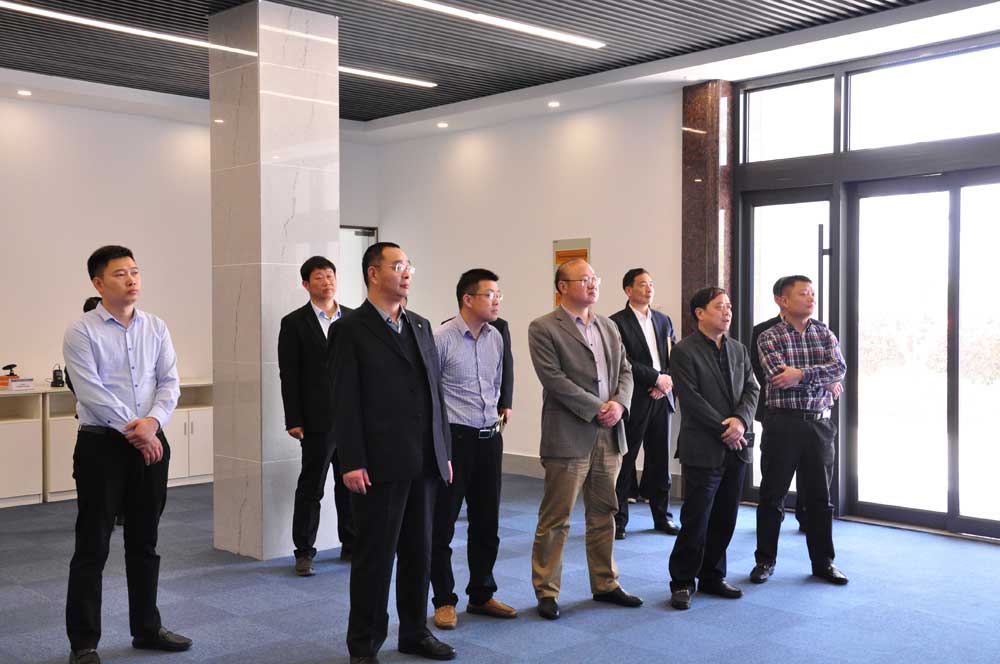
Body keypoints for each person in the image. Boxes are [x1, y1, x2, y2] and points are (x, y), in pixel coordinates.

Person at [62, 245, 191, 664]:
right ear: (99, 283)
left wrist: (152, 423)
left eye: (135, 271)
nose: (131, 279)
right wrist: (137, 430)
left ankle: (147, 629)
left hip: (151, 443)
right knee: (92, 545)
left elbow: (169, 382)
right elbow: (91, 392)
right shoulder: (81, 332)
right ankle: (84, 642)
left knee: (145, 541)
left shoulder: (156, 326)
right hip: (102, 446)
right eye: (120, 274)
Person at [331, 242, 456, 663]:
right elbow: (344, 400)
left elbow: (435, 393)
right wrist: (351, 460)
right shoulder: (350, 328)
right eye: (398, 266)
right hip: (379, 463)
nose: (407, 273)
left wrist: (443, 450)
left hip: (423, 461)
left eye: (409, 266)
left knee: (419, 552)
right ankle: (364, 644)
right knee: (376, 557)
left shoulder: (420, 325)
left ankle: (414, 633)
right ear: (373, 273)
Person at [528, 258, 641, 621]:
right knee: (556, 518)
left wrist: (619, 405)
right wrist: (597, 407)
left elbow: (625, 370)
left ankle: (605, 582)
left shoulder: (608, 325)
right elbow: (553, 379)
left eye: (595, 278)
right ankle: (547, 590)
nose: (593, 285)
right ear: (562, 286)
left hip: (609, 433)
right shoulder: (544, 327)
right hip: (569, 434)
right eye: (584, 279)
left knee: (605, 513)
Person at [430, 269, 517, 630]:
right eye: (490, 295)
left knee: (486, 523)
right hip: (455, 441)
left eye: (498, 294)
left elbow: (495, 385)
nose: (497, 301)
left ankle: (481, 594)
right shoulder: (441, 338)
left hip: (489, 440)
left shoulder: (496, 337)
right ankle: (444, 600)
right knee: (442, 525)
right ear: (468, 299)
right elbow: (429, 397)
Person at [751, 275, 848, 586]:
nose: (811, 298)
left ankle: (823, 562)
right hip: (783, 424)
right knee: (772, 496)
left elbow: (839, 368)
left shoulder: (823, 332)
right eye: (804, 293)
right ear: (783, 300)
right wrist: (820, 378)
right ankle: (765, 560)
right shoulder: (769, 336)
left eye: (812, 293)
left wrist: (802, 374)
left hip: (820, 424)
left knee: (820, 498)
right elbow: (778, 375)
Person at [667, 287, 759, 610]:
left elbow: (752, 389)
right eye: (719, 306)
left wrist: (741, 422)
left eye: (729, 306)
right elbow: (691, 399)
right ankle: (682, 580)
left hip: (737, 446)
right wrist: (726, 429)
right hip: (703, 446)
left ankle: (712, 575)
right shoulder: (683, 351)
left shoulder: (738, 349)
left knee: (725, 516)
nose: (727, 311)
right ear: (700, 313)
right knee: (696, 518)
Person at [279, 256, 354, 576]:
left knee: (351, 484)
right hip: (316, 421)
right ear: (306, 284)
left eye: (330, 276)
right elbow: (289, 374)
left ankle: (352, 544)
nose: (327, 282)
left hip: (351, 419)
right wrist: (293, 419)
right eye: (319, 277)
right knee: (312, 488)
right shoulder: (294, 322)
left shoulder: (353, 318)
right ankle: (304, 552)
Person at [609, 268, 679, 539]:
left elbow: (674, 356)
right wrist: (655, 378)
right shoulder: (617, 322)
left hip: (661, 397)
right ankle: (619, 520)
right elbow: (623, 361)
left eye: (651, 283)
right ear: (628, 290)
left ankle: (663, 517)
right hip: (634, 397)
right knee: (626, 460)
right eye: (642, 284)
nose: (649, 288)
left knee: (660, 461)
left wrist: (665, 382)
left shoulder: (663, 320)